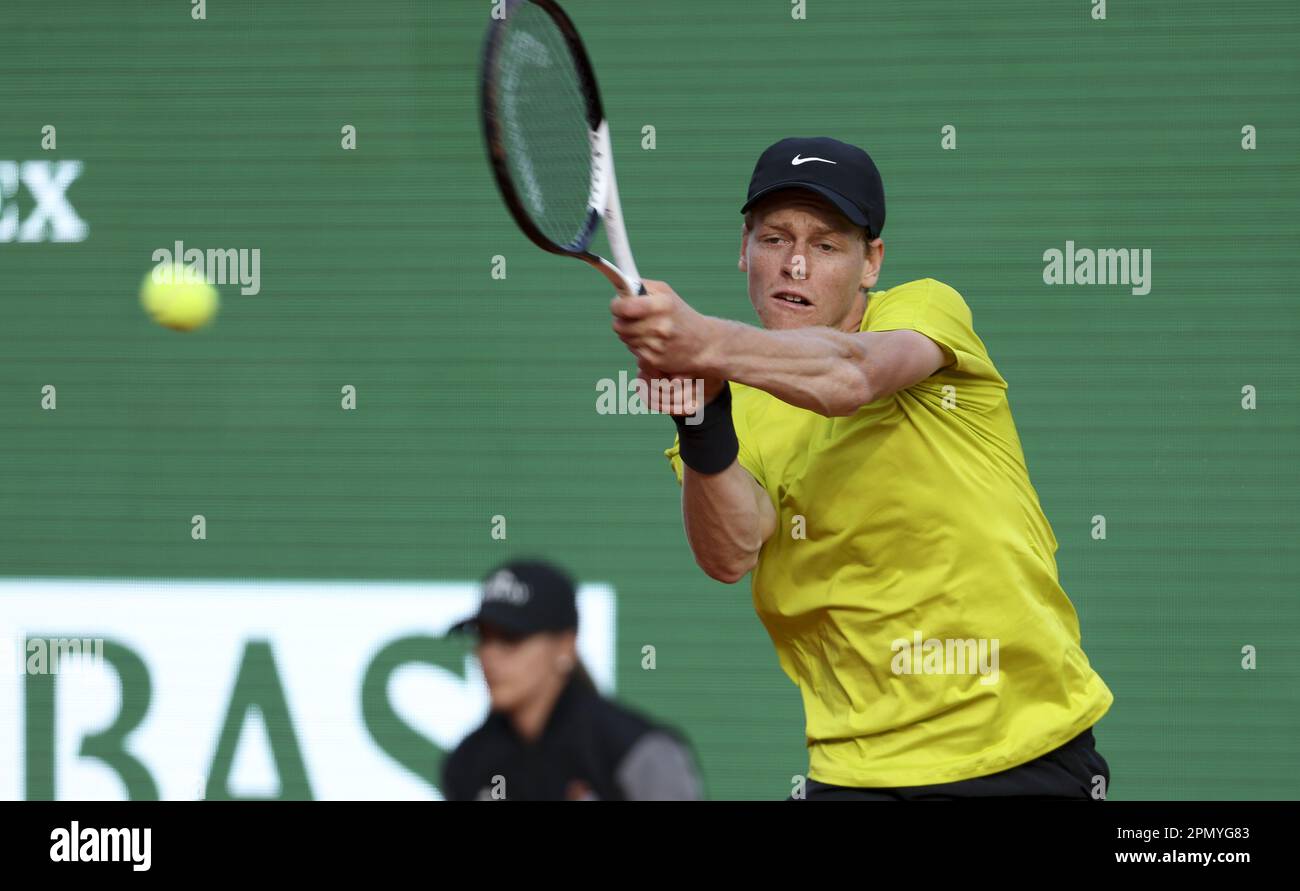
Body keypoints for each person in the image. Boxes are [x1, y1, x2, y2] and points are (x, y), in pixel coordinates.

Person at [608, 136, 1114, 800]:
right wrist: (700, 416)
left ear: (870, 262)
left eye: (826, 245)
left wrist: (701, 341)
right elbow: (731, 551)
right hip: (855, 771)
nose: (794, 263)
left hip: (1017, 750)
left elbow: (852, 374)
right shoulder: (741, 400)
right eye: (774, 239)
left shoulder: (926, 310)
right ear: (743, 248)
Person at [440, 558, 703, 801]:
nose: (489, 656)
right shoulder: (469, 761)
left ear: (566, 645)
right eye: (483, 638)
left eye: (511, 638)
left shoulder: (636, 750)